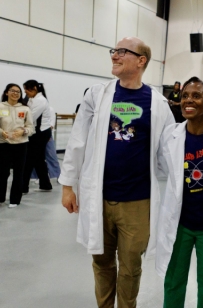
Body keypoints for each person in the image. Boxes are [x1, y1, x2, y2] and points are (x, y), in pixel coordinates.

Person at [59, 37, 174, 308]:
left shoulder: (158, 103)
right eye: (114, 51)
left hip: (137, 201)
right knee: (101, 260)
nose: (115, 55)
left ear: (141, 60)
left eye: (122, 52)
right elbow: (78, 141)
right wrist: (67, 186)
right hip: (98, 196)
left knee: (131, 264)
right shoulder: (96, 95)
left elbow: (170, 151)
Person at [156, 76, 203, 307]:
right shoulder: (170, 136)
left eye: (196, 96)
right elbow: (159, 167)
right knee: (173, 281)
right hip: (179, 224)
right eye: (186, 96)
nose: (188, 100)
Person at [0, 84, 35, 208]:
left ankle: (15, 199)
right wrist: (1, 132)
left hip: (21, 144)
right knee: (3, 172)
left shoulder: (25, 109)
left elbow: (31, 127)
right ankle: (0, 198)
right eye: (12, 91)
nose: (15, 93)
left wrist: (23, 132)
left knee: (19, 172)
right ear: (6, 93)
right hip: (4, 143)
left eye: (18, 92)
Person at [22, 80, 53, 193]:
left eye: (27, 89)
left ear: (34, 88)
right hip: (37, 132)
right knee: (39, 160)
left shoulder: (40, 100)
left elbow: (31, 117)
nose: (25, 91)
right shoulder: (32, 99)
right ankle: (45, 184)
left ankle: (23, 187)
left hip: (40, 133)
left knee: (29, 160)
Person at [31, 106, 60, 182]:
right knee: (36, 157)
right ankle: (38, 176)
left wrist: (47, 135)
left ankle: (58, 175)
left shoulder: (50, 109)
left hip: (46, 135)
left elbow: (51, 124)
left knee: (51, 155)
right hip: (34, 135)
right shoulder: (32, 108)